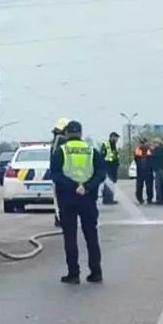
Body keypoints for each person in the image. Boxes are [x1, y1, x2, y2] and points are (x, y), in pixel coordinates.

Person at [50, 120, 104, 284]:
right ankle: (96, 272)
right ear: (81, 133)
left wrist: (74, 187)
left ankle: (73, 274)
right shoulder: (91, 150)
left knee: (70, 237)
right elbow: (101, 173)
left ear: (66, 134)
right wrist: (86, 187)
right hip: (87, 198)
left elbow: (56, 175)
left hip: (68, 199)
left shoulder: (61, 151)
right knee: (91, 236)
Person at [50, 118, 70, 227]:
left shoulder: (57, 139)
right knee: (60, 199)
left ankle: (60, 218)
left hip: (60, 175)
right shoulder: (60, 139)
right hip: (61, 174)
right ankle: (60, 219)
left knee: (59, 199)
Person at [99, 131, 121, 204]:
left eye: (117, 138)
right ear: (111, 137)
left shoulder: (114, 146)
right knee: (108, 183)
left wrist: (117, 164)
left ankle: (110, 198)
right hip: (107, 166)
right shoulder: (106, 145)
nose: (117, 139)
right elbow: (102, 156)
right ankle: (107, 199)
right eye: (116, 138)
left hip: (113, 167)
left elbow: (115, 156)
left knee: (112, 183)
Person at [133, 138, 154, 204]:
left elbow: (152, 158)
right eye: (141, 143)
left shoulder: (150, 150)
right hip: (140, 171)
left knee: (149, 186)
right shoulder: (137, 150)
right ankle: (140, 199)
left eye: (144, 143)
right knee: (139, 186)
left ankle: (149, 199)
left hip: (149, 170)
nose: (143, 144)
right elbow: (136, 159)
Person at [150, 137, 163, 205]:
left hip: (160, 169)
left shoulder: (158, 150)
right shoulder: (161, 149)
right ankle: (162, 199)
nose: (153, 144)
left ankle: (160, 199)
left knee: (159, 185)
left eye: (154, 143)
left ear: (158, 143)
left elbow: (154, 157)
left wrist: (152, 151)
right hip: (161, 169)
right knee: (161, 185)